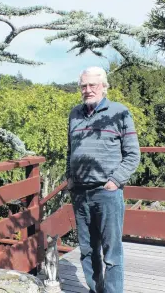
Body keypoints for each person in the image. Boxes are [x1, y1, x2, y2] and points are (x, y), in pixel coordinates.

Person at [65, 66, 140, 293]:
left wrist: (115, 182)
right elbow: (71, 150)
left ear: (104, 87)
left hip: (107, 193)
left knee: (112, 252)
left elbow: (133, 154)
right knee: (87, 250)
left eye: (92, 85)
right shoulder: (74, 114)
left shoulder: (120, 112)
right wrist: (69, 176)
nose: (87, 90)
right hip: (80, 193)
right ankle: (95, 290)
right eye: (83, 86)